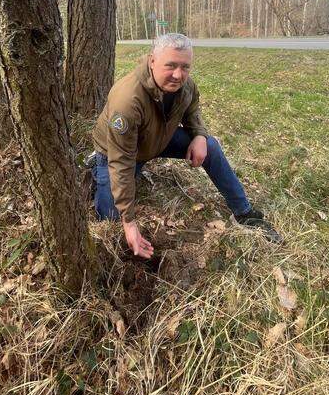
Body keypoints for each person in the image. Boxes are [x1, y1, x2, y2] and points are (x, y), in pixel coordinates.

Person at [89, 33, 281, 258]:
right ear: (152, 61)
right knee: (110, 221)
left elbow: (192, 108)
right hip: (116, 154)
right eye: (170, 65)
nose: (178, 75)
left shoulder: (185, 84)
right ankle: (96, 169)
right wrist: (129, 222)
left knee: (211, 146)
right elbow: (121, 161)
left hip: (157, 138)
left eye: (185, 67)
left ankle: (244, 212)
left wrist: (199, 135)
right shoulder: (128, 100)